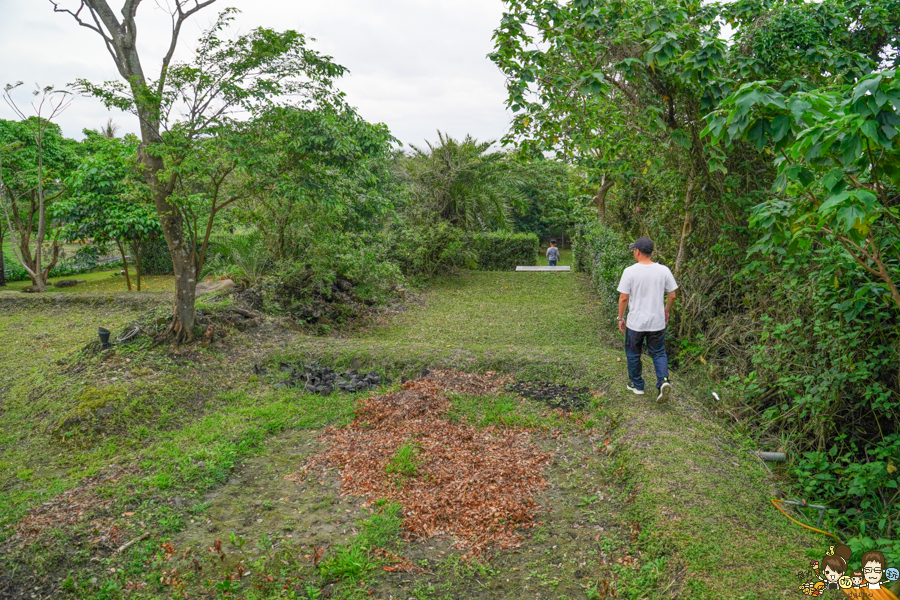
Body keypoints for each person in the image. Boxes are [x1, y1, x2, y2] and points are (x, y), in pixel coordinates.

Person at [616, 237, 678, 403]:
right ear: (651, 252)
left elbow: (623, 297)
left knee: (633, 352)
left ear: (637, 251)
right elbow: (672, 295)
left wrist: (620, 318)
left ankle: (637, 385)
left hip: (636, 322)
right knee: (658, 353)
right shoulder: (664, 270)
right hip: (656, 322)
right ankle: (663, 381)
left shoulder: (630, 271)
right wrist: (666, 311)